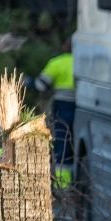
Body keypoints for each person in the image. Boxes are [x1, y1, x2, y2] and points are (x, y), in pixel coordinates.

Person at [32, 47, 74, 188]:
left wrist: (28, 82)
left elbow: (40, 85)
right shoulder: (85, 62)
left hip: (63, 106)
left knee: (62, 141)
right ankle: (77, 182)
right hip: (84, 107)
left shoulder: (57, 62)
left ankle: (63, 185)